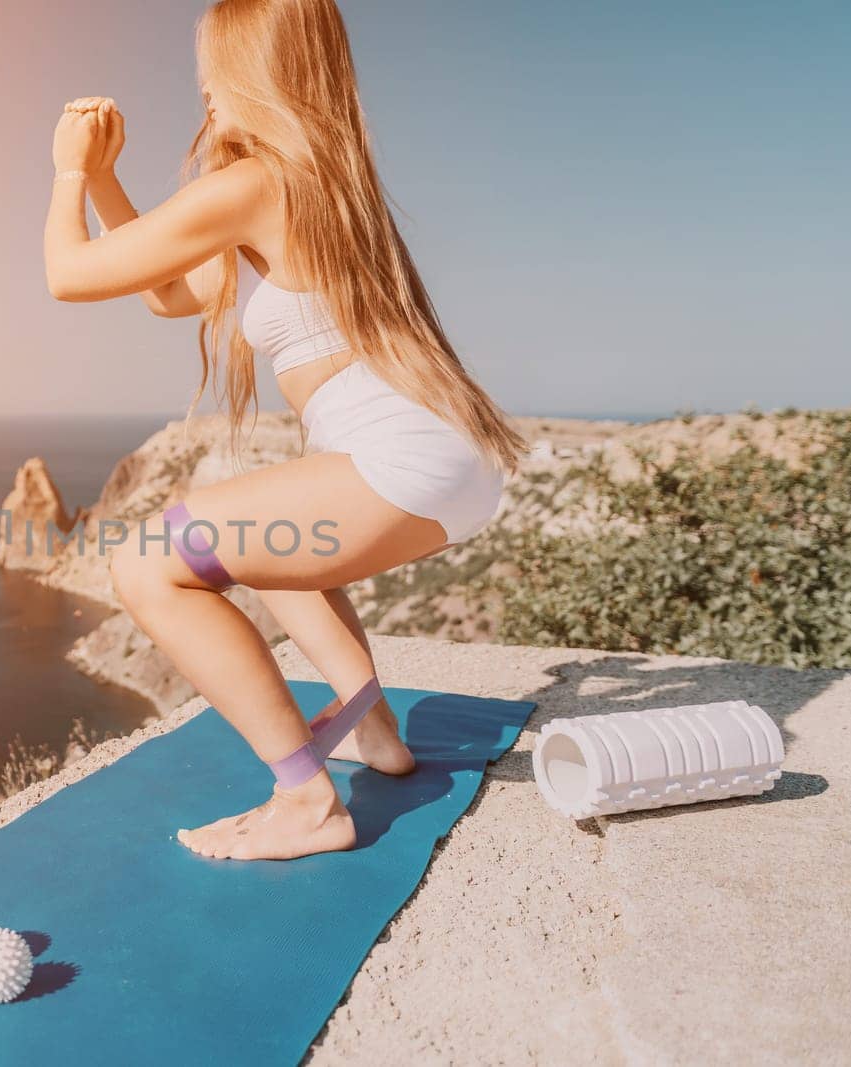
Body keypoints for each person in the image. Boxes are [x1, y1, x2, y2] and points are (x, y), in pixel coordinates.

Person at [43, 0, 529, 861]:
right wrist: (116, 182)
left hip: (403, 459)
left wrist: (69, 172)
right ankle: (376, 734)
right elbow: (168, 291)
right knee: (267, 541)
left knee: (146, 563)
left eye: (211, 82)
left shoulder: (255, 185)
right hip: (452, 460)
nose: (204, 101)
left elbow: (70, 276)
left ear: (251, 77)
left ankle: (307, 800)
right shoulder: (319, 187)